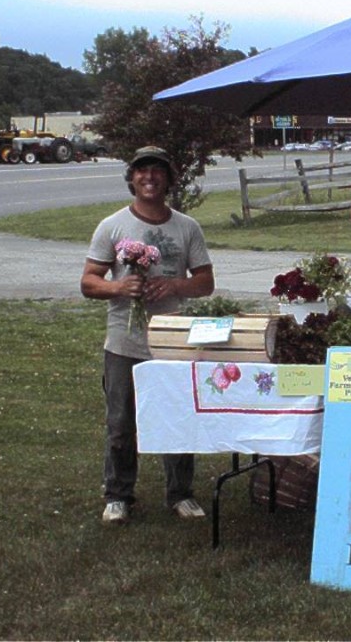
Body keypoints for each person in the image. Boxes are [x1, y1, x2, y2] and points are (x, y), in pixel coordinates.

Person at [80, 146, 215, 524]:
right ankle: (119, 495)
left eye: (157, 171)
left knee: (177, 416)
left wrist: (173, 285)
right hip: (124, 342)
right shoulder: (112, 226)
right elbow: (89, 282)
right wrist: (120, 289)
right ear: (131, 179)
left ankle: (181, 494)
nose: (149, 177)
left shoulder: (187, 227)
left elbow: (205, 283)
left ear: (169, 179)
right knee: (121, 423)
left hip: (173, 340)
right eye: (142, 171)